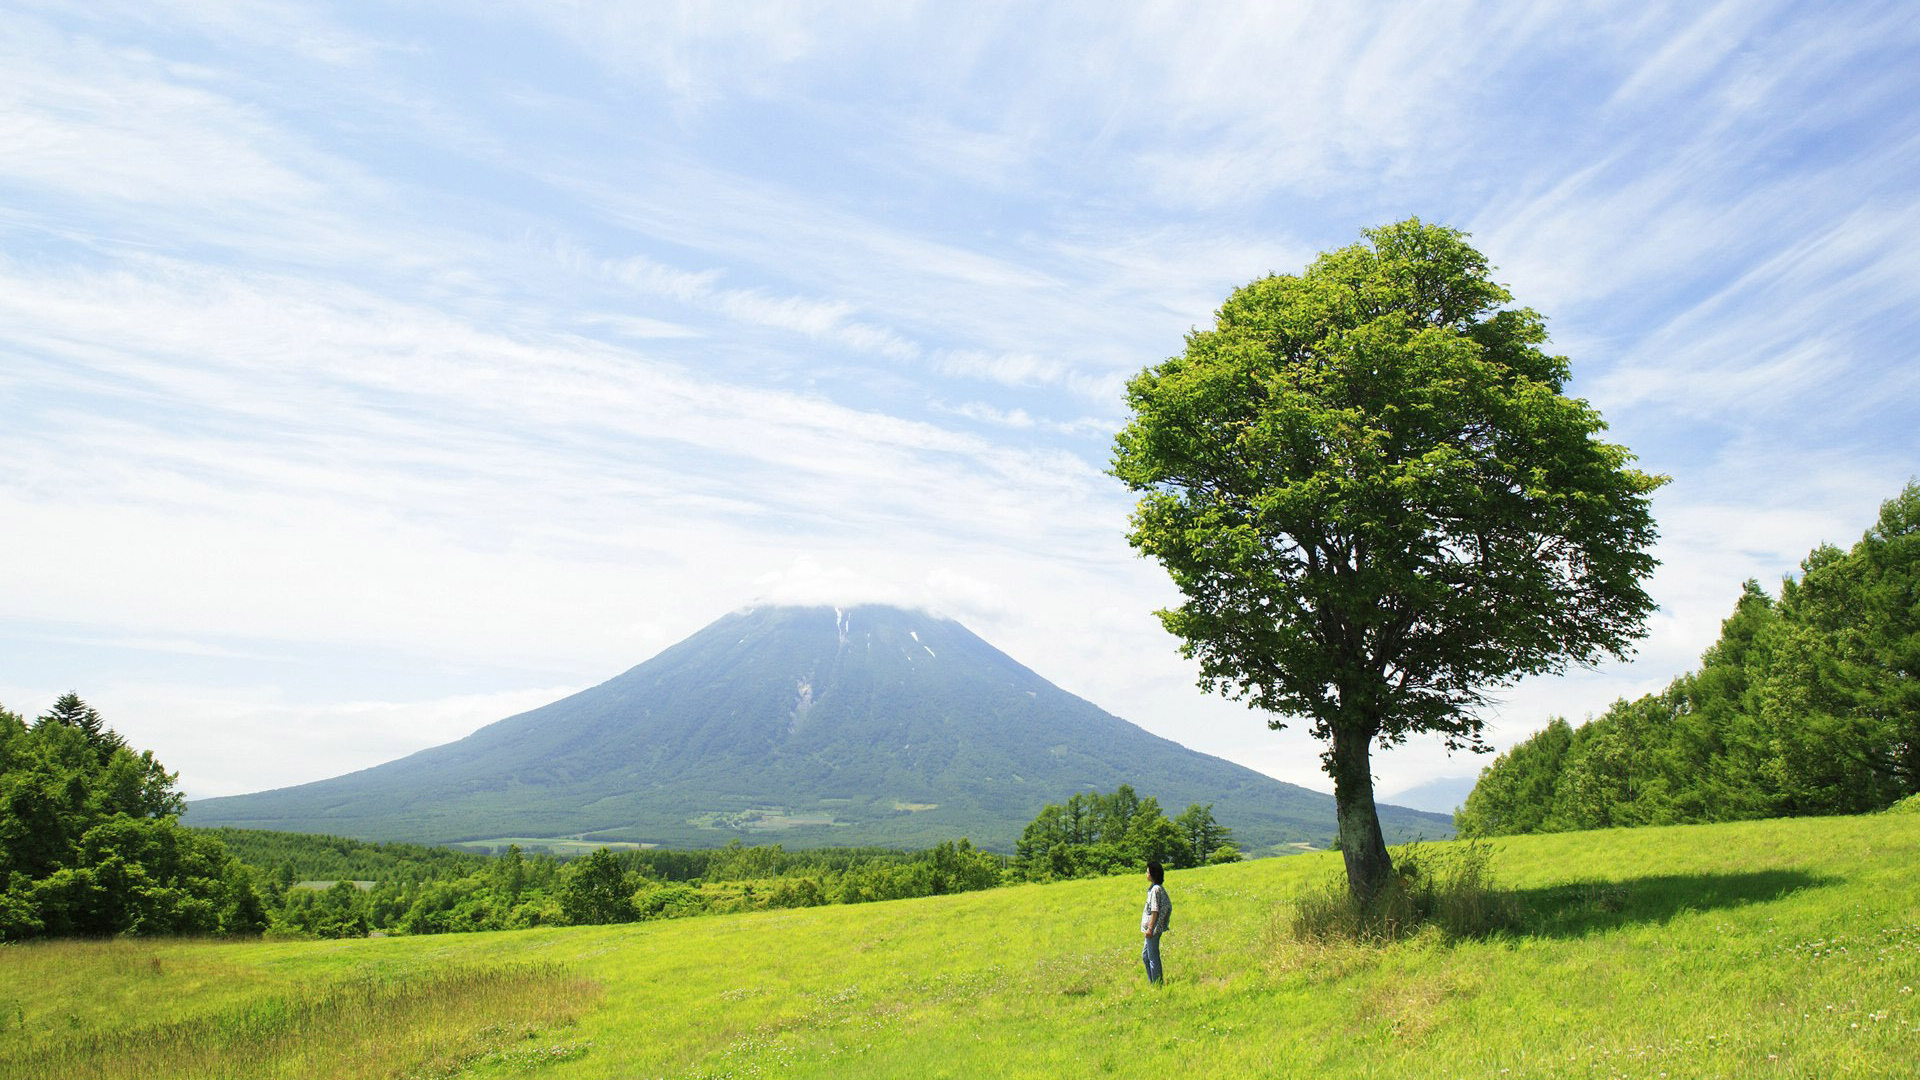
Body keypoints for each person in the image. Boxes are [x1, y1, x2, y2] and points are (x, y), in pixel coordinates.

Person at [1140, 860, 1171, 985]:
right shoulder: (1155, 888)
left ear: (1153, 874)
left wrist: (1150, 928)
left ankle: (1157, 983)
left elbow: (1155, 910)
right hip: (1152, 929)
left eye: (1148, 872)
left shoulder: (1155, 890)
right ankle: (1153, 981)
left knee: (1152, 957)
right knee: (1145, 956)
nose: (1146, 874)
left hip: (1153, 929)